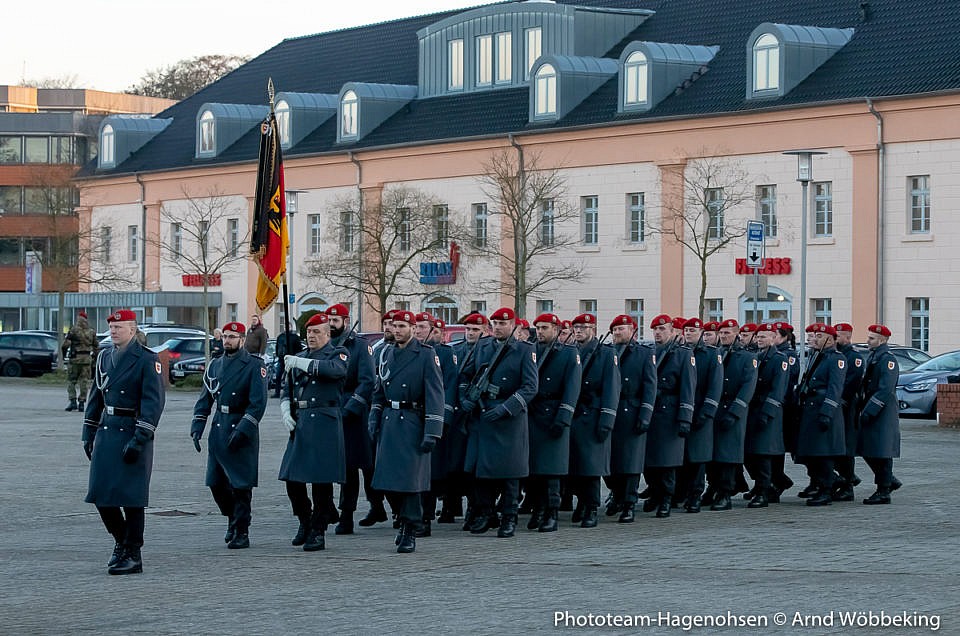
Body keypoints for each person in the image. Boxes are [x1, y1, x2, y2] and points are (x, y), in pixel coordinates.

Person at [81, 309, 165, 575]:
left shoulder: (146, 360)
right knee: (100, 495)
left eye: (119, 327)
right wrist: (88, 430)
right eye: (112, 328)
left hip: (132, 430)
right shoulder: (104, 356)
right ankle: (121, 542)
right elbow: (96, 396)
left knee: (131, 498)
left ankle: (133, 553)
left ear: (132, 329)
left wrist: (140, 437)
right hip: (107, 430)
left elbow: (153, 403)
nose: (114, 331)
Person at [368, 310, 444, 553]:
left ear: (412, 328)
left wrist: (432, 430)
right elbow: (379, 389)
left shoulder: (425, 355)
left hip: (412, 422)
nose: (397, 330)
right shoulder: (386, 353)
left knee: (410, 482)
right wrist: (374, 416)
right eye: (394, 325)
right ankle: (401, 518)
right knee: (388, 481)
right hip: (390, 422)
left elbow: (435, 394)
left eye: (402, 326)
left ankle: (411, 528)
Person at [459, 307, 537, 538]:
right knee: (481, 470)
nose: (498, 327)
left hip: (508, 418)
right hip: (483, 413)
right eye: (494, 323)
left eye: (503, 323)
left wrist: (506, 408)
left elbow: (530, 387)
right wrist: (466, 398)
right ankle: (486, 512)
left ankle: (509, 516)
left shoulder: (524, 350)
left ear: (514, 325)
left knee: (509, 473)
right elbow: (465, 374)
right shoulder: (483, 346)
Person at [189, 321, 267, 548]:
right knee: (216, 483)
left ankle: (242, 530)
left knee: (241, 485)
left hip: (241, 426)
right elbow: (205, 399)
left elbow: (258, 403)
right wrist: (197, 426)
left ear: (242, 340)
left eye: (232, 337)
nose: (227, 341)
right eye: (225, 336)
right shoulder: (215, 365)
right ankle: (232, 517)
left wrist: (244, 429)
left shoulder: (253, 365)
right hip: (220, 427)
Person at [278, 313, 349, 552]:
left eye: (317, 332)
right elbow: (287, 387)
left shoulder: (338, 354)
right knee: (291, 478)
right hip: (302, 421)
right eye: (309, 332)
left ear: (327, 334)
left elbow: (333, 371)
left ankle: (318, 530)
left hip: (325, 421)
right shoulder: (299, 357)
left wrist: (302, 363)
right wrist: (286, 408)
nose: (311, 336)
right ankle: (304, 520)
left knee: (321, 482)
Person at [526, 313, 581, 532]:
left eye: (545, 328)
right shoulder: (530, 351)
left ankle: (552, 512)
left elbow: (572, 388)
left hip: (554, 413)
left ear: (556, 329)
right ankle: (538, 509)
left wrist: (564, 417)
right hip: (534, 413)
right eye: (538, 328)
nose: (540, 332)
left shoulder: (568, 353)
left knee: (552, 470)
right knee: (534, 469)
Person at [325, 304, 375, 535]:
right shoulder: (324, 344)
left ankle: (347, 515)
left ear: (346, 321)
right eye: (329, 320)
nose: (331, 324)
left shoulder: (360, 346)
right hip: (327, 412)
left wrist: (351, 407)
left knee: (352, 467)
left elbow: (367, 381)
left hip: (351, 416)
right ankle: (327, 509)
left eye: (335, 320)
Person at [568, 313, 620, 527]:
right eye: (576, 327)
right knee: (574, 466)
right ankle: (581, 502)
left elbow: (612, 388)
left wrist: (607, 419)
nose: (579, 331)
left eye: (583, 327)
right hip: (575, 414)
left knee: (591, 467)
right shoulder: (571, 352)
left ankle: (591, 506)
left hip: (594, 414)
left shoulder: (606, 354)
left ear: (593, 329)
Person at [643, 315, 696, 518]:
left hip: (670, 412)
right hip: (652, 410)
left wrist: (685, 417)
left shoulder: (683, 354)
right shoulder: (649, 352)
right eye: (655, 329)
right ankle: (655, 494)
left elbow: (687, 388)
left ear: (674, 331)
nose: (658, 333)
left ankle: (666, 498)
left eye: (662, 329)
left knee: (667, 461)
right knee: (650, 461)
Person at [606, 314, 656, 522]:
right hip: (612, 412)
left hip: (632, 410)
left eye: (622, 329)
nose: (617, 333)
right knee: (611, 462)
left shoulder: (644, 354)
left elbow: (650, 386)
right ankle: (616, 495)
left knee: (631, 462)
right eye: (615, 330)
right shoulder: (608, 353)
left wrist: (645, 414)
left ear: (633, 330)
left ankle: (629, 503)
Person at [707, 319, 758, 511]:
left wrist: (735, 411)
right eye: (721, 333)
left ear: (736, 333)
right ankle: (714, 488)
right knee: (713, 455)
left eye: (727, 333)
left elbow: (747, 387)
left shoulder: (747, 357)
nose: (724, 336)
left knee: (728, 455)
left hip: (733, 410)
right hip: (716, 409)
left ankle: (725, 493)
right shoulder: (717, 354)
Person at [416, 313, 459, 537]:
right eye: (417, 326)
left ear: (433, 330)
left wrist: (445, 416)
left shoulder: (444, 353)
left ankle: (427, 516)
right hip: (414, 417)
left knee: (434, 471)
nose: (418, 331)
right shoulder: (412, 352)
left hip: (435, 417)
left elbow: (450, 385)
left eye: (422, 327)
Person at [796, 323, 847, 507]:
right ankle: (829, 482)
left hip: (823, 409)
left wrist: (827, 412)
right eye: (814, 336)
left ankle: (827, 489)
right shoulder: (817, 356)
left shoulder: (836, 359)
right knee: (811, 453)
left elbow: (835, 388)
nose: (815, 339)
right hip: (810, 409)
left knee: (823, 454)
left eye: (819, 336)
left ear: (830, 340)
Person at [448, 312, 489, 528]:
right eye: (468, 329)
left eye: (475, 329)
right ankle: (464, 506)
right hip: (460, 414)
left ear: (485, 331)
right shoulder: (457, 350)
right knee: (461, 466)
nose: (470, 333)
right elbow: (458, 378)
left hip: (479, 415)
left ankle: (479, 507)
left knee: (476, 466)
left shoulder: (489, 350)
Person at [677, 318, 723, 513]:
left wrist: (707, 411)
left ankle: (695, 495)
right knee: (683, 456)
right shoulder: (680, 352)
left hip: (701, 411)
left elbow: (715, 386)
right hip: (683, 410)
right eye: (686, 330)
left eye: (693, 331)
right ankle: (681, 493)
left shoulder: (712, 355)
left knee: (698, 457)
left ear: (702, 333)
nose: (688, 333)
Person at [743, 323, 789, 508]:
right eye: (758, 337)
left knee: (763, 454)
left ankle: (764, 491)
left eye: (764, 336)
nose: (760, 340)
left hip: (768, 412)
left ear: (773, 338)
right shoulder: (756, 357)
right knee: (751, 453)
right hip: (753, 410)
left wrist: (767, 412)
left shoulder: (779, 359)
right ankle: (768, 486)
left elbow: (778, 389)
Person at [856, 324, 902, 505]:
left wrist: (870, 410)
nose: (867, 341)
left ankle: (884, 490)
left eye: (871, 338)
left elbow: (885, 389)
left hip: (882, 411)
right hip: (872, 408)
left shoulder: (887, 359)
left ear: (882, 340)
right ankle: (889, 481)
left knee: (882, 451)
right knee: (869, 448)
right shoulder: (875, 356)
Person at [833, 322, 865, 501]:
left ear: (848, 336)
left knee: (846, 448)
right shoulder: (836, 355)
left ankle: (848, 485)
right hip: (838, 405)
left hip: (847, 407)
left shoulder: (854, 357)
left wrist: (840, 400)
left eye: (838, 336)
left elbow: (851, 382)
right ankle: (845, 479)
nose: (836, 339)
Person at [63, 311, 97, 412]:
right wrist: (95, 358)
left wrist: (63, 354)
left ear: (78, 318)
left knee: (71, 381)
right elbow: (96, 346)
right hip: (86, 359)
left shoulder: (74, 330)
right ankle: (82, 402)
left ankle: (73, 401)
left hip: (74, 359)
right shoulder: (91, 331)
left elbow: (66, 344)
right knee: (84, 381)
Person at [272, 326, 304, 398]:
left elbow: (299, 348)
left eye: (288, 326)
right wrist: (278, 354)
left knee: (292, 377)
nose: (287, 328)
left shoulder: (294, 337)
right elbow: (277, 346)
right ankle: (277, 393)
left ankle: (293, 393)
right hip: (281, 359)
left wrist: (296, 357)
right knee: (278, 376)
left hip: (291, 359)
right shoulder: (280, 337)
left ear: (291, 327)